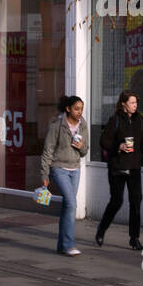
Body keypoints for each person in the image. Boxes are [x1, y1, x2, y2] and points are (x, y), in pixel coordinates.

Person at [96, 91, 143, 250]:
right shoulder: (115, 120)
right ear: (124, 104)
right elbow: (104, 141)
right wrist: (118, 146)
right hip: (117, 167)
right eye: (132, 103)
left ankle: (134, 238)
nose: (135, 105)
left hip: (134, 167)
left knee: (136, 202)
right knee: (117, 201)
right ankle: (102, 228)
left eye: (136, 103)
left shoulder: (140, 120)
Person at [40, 95, 89, 256]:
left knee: (68, 206)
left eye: (81, 109)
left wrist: (81, 147)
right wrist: (44, 174)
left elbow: (85, 151)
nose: (79, 112)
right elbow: (48, 150)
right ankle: (69, 245)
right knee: (72, 203)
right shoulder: (57, 126)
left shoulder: (83, 126)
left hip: (75, 169)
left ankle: (62, 245)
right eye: (76, 109)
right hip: (59, 168)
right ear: (68, 109)